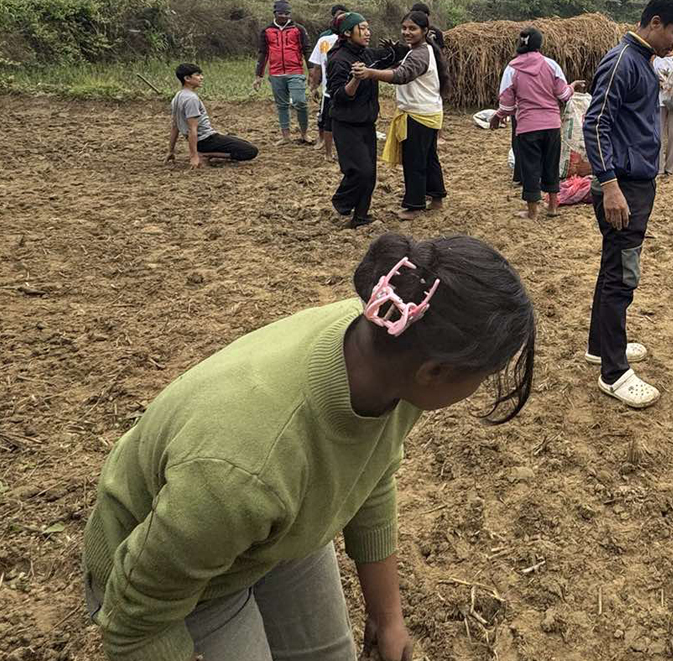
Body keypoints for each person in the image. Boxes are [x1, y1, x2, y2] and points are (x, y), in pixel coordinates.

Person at [82, 232, 537, 661]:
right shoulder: (243, 470)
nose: (482, 387)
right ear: (435, 372)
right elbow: (136, 617)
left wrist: (388, 618)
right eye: (484, 375)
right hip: (171, 575)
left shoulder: (391, 346)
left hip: (271, 529)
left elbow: (369, 474)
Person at [583, 0, 673, 409]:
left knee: (613, 267)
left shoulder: (643, 60)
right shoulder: (622, 61)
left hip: (635, 185)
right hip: (623, 187)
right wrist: (610, 184)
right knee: (622, 275)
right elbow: (595, 122)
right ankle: (613, 372)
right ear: (656, 22)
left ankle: (601, 345)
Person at [355, 10, 449, 221]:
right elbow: (401, 67)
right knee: (429, 157)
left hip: (418, 115)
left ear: (424, 31)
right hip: (429, 112)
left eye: (412, 29)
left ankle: (414, 205)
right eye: (404, 28)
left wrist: (371, 74)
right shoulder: (420, 50)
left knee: (414, 160)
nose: (407, 32)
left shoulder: (419, 54)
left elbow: (401, 76)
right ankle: (436, 198)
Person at [490, 27, 586, 220]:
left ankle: (532, 211)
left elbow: (507, 104)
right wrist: (572, 87)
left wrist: (497, 116)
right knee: (551, 164)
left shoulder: (512, 68)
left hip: (527, 127)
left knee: (530, 166)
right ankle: (552, 207)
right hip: (551, 125)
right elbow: (563, 95)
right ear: (539, 44)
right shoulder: (551, 65)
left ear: (520, 43)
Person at [328, 12, 402, 229]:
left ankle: (361, 215)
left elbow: (388, 58)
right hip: (346, 124)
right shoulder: (338, 59)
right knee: (360, 171)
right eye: (362, 28)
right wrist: (355, 80)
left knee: (370, 173)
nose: (368, 33)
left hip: (366, 122)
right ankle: (341, 201)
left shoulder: (366, 54)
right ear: (347, 32)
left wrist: (396, 48)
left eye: (368, 28)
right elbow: (339, 96)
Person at [167, 63, 259, 168]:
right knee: (251, 151)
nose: (201, 78)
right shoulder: (191, 99)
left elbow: (175, 126)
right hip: (205, 140)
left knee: (242, 142)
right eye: (197, 75)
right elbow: (192, 129)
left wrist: (171, 151)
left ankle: (204, 152)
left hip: (203, 139)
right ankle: (204, 154)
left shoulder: (177, 96)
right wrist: (194, 156)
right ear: (187, 78)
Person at [255, 0, 312, 146]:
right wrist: (258, 76)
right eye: (281, 13)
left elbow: (306, 50)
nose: (284, 16)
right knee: (282, 105)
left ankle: (304, 133)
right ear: (275, 13)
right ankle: (285, 136)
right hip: (276, 73)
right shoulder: (267, 31)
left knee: (300, 101)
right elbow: (263, 53)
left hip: (295, 71)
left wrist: (311, 71)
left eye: (287, 13)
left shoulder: (298, 29)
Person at [310, 4, 348, 163]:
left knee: (344, 123)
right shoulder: (324, 41)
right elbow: (317, 66)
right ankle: (328, 153)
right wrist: (314, 86)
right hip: (329, 91)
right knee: (328, 123)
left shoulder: (354, 41)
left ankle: (341, 152)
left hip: (347, 90)